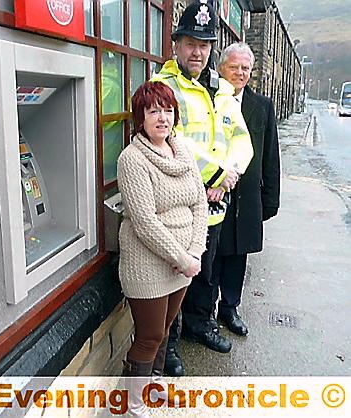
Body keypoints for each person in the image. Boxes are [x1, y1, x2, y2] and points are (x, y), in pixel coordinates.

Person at [150, 0, 253, 375]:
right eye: (191, 43)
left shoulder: (222, 88)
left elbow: (241, 139)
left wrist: (232, 173)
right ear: (176, 44)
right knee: (175, 276)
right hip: (178, 205)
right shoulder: (162, 88)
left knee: (205, 273)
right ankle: (171, 343)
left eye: (205, 44)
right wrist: (214, 175)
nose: (198, 51)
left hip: (215, 203)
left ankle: (198, 324)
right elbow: (170, 138)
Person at [117, 80, 208, 416]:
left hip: (184, 263)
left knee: (165, 329)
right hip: (148, 264)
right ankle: (134, 404)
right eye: (153, 110)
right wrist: (181, 258)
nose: (162, 117)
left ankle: (152, 388)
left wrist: (194, 253)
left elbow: (200, 203)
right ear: (139, 117)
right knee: (150, 335)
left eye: (167, 110)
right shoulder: (132, 159)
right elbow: (144, 222)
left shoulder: (182, 150)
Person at [213, 42, 280, 336]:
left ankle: (230, 308)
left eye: (245, 68)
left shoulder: (262, 106)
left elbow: (270, 157)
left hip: (248, 197)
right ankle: (205, 313)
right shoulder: (209, 100)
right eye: (234, 67)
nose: (240, 73)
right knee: (213, 254)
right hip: (215, 193)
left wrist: (270, 199)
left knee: (238, 255)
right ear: (220, 68)